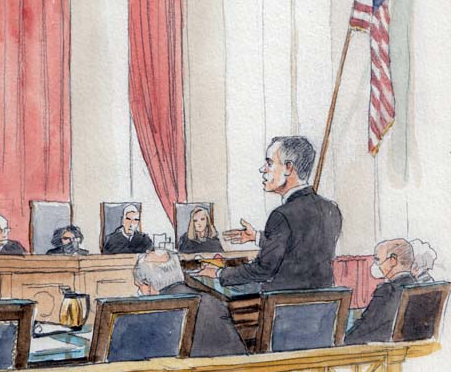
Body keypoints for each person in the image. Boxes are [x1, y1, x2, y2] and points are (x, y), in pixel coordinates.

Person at [198, 136, 343, 291]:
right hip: (322, 310)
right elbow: (298, 251)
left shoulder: (281, 215)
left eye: (269, 163)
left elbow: (264, 270)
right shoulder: (331, 209)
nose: (263, 169)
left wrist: (220, 273)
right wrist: (257, 237)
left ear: (288, 168)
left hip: (282, 309)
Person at [133, 249, 246, 357]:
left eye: (139, 286)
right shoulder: (214, 302)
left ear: (148, 286)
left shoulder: (157, 313)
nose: (139, 291)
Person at [346, 239, 418, 344]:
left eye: (378, 260)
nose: (375, 265)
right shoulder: (416, 288)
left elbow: (364, 327)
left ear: (393, 260)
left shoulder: (387, 290)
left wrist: (342, 340)